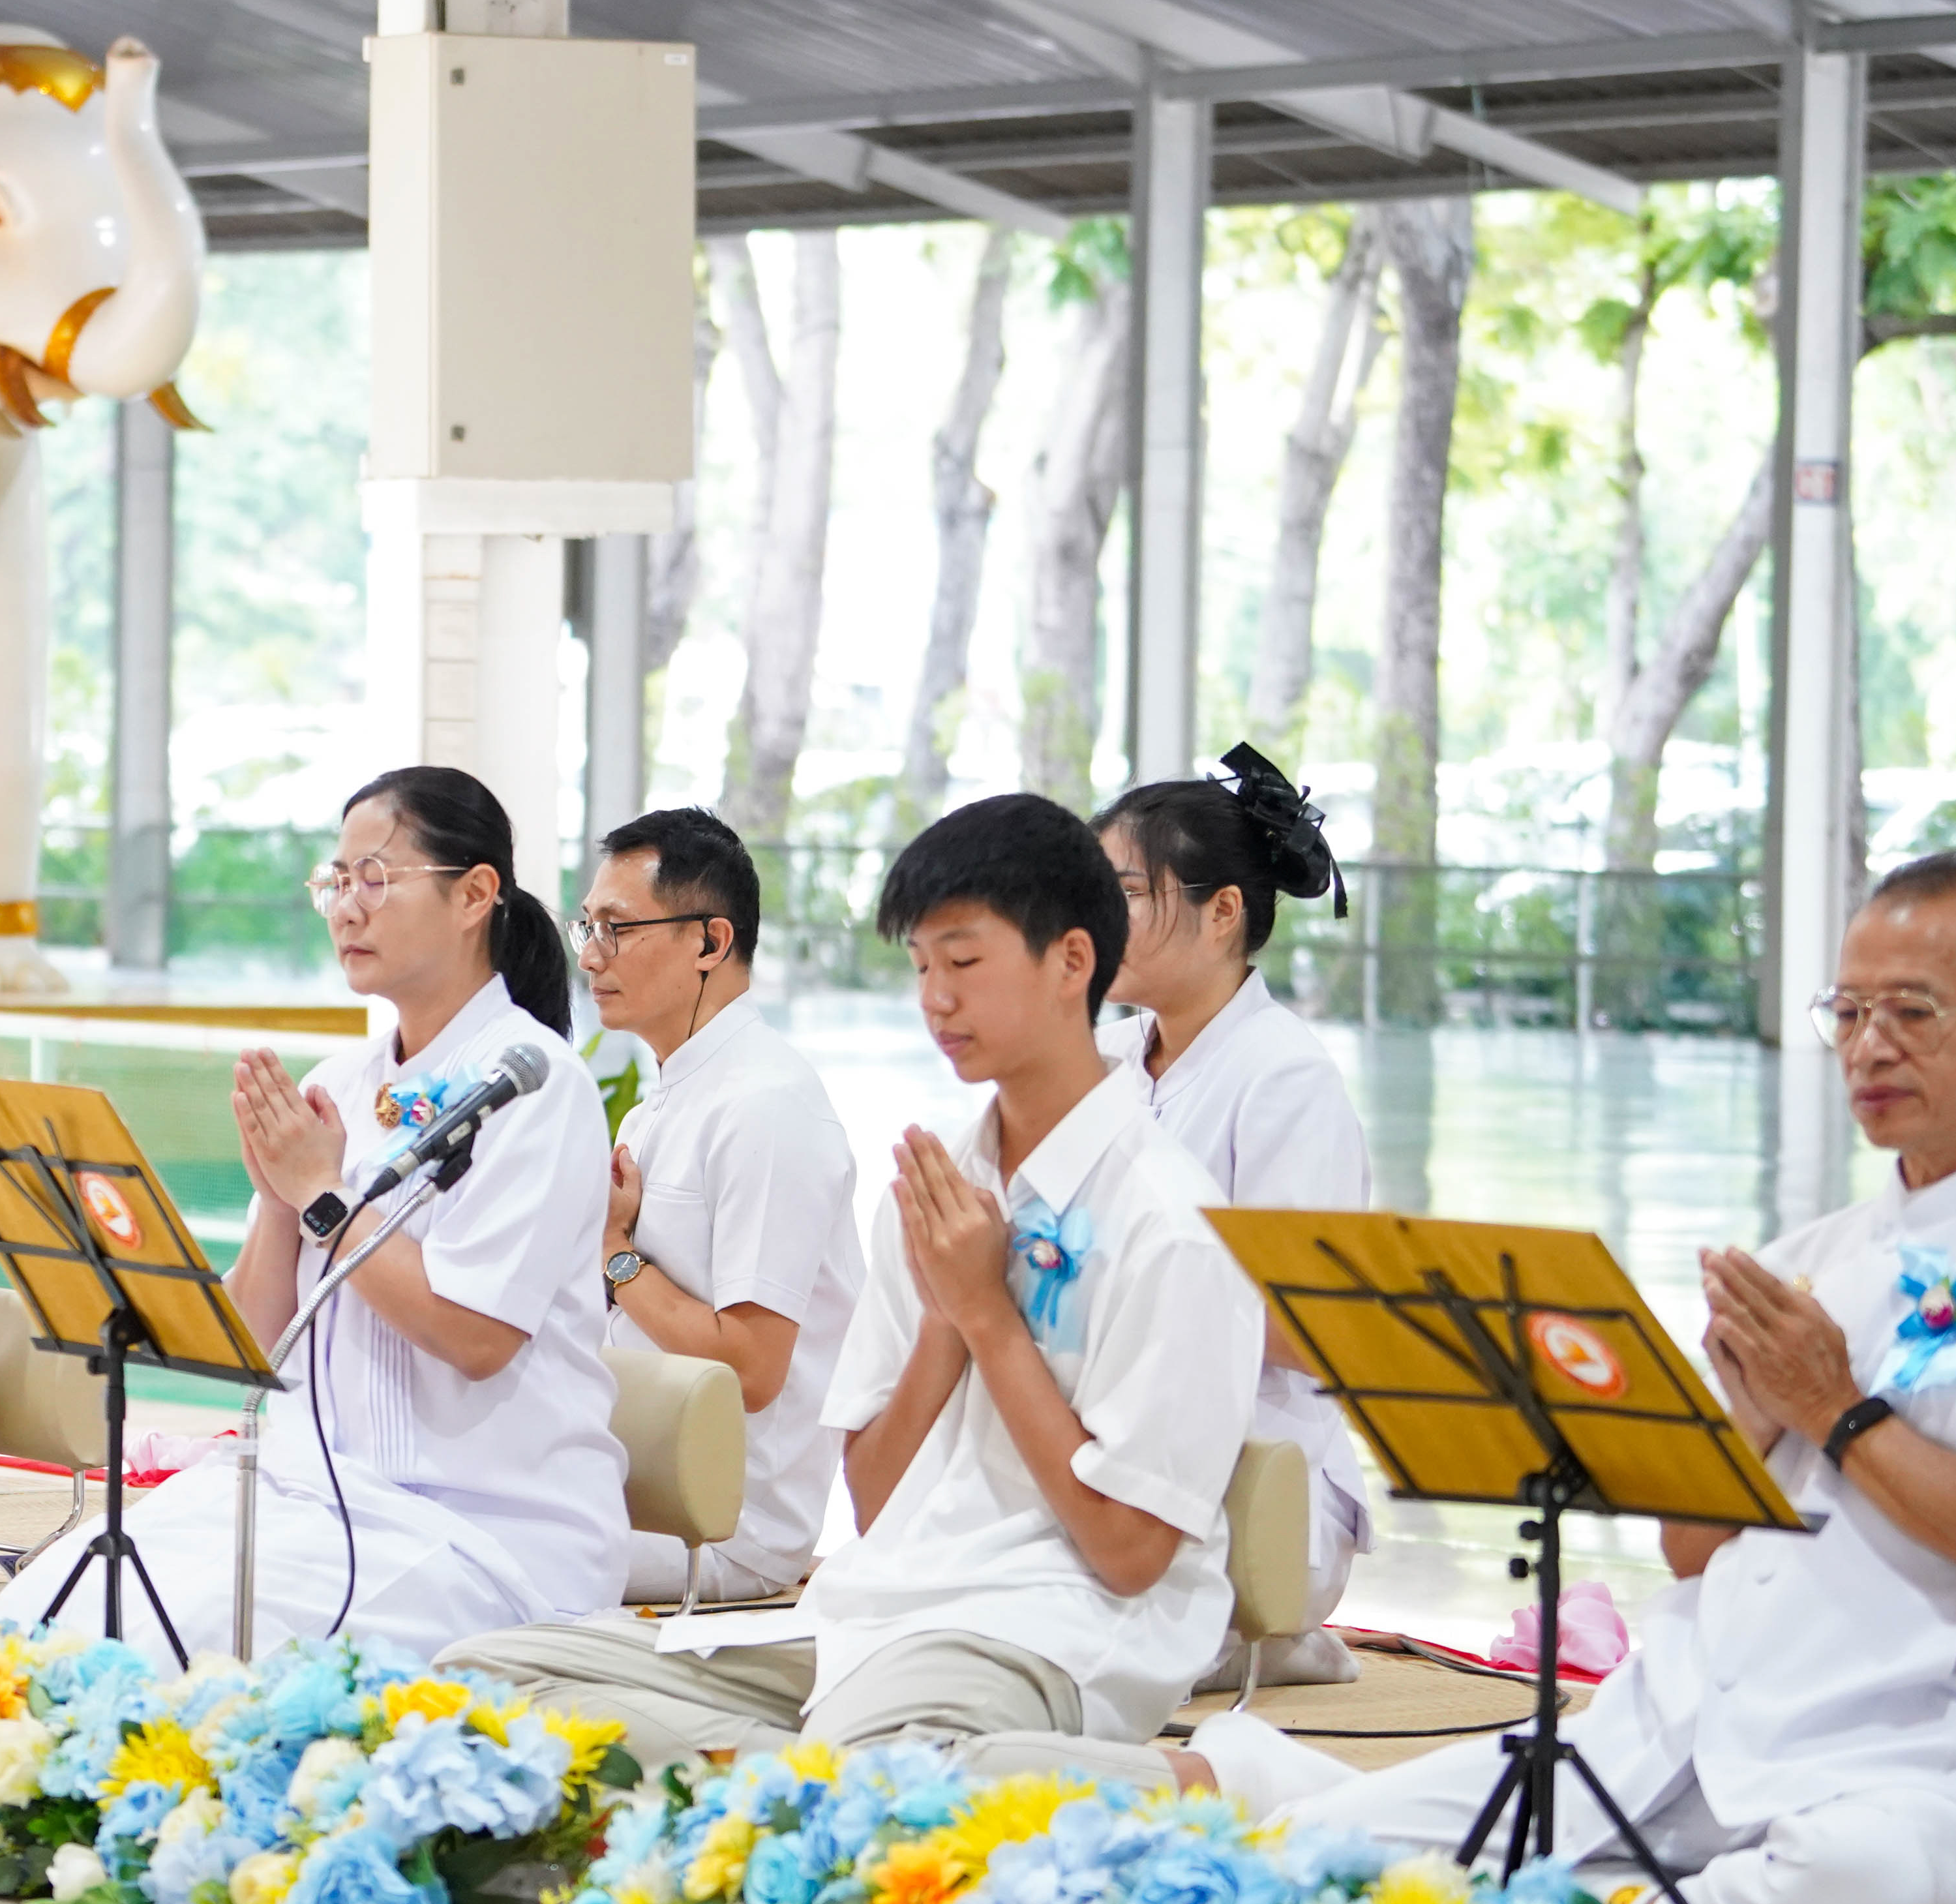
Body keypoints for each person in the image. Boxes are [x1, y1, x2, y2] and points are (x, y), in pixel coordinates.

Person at [1220, 854, 1956, 1904]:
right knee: (1310, 1862)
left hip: (1903, 1767)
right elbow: (1689, 1551)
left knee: (1835, 1901)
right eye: (1851, 1014)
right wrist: (1751, 1424)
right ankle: (1531, 1895)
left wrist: (1835, 1410)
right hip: (1664, 1727)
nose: (1871, 1048)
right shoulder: (1807, 1262)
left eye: (1913, 1013)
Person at [453, 795, 1261, 1776]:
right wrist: (946, 1324)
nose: (935, 1000)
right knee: (483, 1680)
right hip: (877, 1611)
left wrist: (987, 1318)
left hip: (1047, 1627)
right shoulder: (942, 1188)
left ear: (1072, 963)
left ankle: (1203, 1784)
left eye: (963, 963)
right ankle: (824, 1789)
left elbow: (1132, 1556)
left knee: (861, 1772)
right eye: (921, 967)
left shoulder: (1169, 1219)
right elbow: (875, 1503)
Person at [0, 766, 629, 1665]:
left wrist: (322, 1199)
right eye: (335, 881)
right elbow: (255, 1341)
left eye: (376, 878)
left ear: (475, 895)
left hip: (476, 1525)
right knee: (41, 1612)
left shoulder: (533, 1082)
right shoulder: (340, 1085)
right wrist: (279, 1203)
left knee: (181, 1643)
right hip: (308, 1491)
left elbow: (478, 1337)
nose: (346, 907)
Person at [1094, 742, 1373, 1678]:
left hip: (1256, 1481)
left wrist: (1126, 1295)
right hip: (1121, 1446)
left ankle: (1276, 1624)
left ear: (1223, 914)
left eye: (1127, 894)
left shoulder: (1283, 1077)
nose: (1094, 920)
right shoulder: (1109, 1064)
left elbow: (1314, 1328)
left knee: (1079, 1654)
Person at [573, 806, 859, 1603]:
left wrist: (616, 1257)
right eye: (587, 927)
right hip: (629, 1478)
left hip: (724, 1528)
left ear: (709, 941)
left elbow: (750, 1366)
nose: (593, 956)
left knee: (469, 1538)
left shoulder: (767, 1104)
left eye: (618, 929)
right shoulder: (663, 1102)